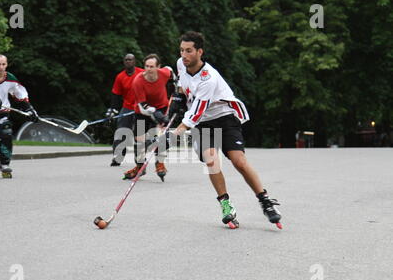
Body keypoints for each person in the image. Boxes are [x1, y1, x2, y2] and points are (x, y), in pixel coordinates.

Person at [167, 31, 282, 229]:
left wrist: (174, 134)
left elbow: (196, 112)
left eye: (189, 51)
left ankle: (265, 201)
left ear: (199, 52)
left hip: (223, 117)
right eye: (181, 50)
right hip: (203, 123)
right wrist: (178, 97)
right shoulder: (180, 64)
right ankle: (226, 204)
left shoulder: (208, 78)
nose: (184, 55)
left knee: (239, 161)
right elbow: (182, 84)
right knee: (211, 160)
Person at [123, 53, 176, 182]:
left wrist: (176, 85)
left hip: (161, 107)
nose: (149, 69)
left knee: (159, 137)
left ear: (158, 67)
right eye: (146, 66)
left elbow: (170, 70)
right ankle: (140, 166)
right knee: (139, 142)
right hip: (143, 111)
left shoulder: (163, 73)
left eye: (152, 66)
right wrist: (155, 114)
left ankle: (160, 163)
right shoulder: (138, 81)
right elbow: (143, 106)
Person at [108, 54, 144, 166]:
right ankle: (117, 157)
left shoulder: (142, 73)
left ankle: (139, 159)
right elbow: (115, 94)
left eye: (131, 60)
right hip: (127, 107)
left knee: (140, 133)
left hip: (141, 108)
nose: (128, 61)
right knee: (121, 133)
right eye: (126, 60)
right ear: (124, 62)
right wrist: (113, 109)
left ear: (134, 61)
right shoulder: (120, 77)